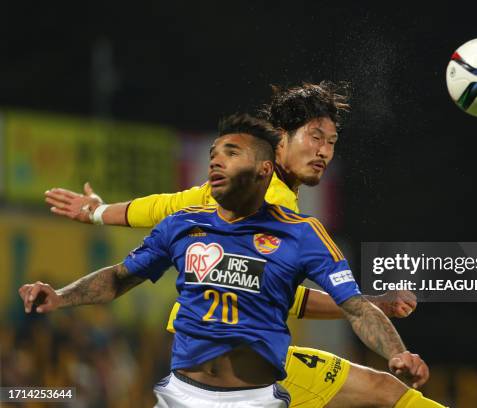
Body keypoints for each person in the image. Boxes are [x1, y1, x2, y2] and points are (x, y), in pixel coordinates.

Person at [44, 83, 445, 408]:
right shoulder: (269, 201)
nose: (324, 151)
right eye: (315, 137)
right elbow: (284, 297)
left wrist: (99, 212)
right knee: (386, 394)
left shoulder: (243, 188)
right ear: (280, 141)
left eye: (332, 141)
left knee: (382, 391)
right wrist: (373, 304)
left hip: (213, 355)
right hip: (235, 354)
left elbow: (167, 205)